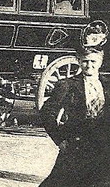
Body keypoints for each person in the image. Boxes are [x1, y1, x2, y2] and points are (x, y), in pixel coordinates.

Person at [40, 37, 110, 186]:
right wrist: (60, 140)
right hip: (76, 146)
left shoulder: (107, 85)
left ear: (100, 62)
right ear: (78, 61)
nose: (89, 65)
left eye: (93, 61)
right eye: (85, 61)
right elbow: (47, 112)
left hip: (103, 146)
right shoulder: (67, 85)